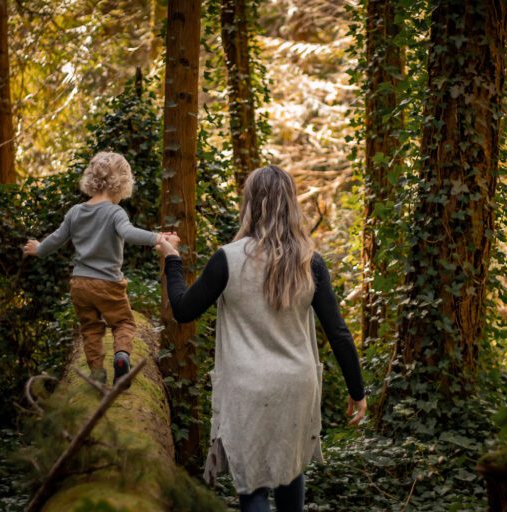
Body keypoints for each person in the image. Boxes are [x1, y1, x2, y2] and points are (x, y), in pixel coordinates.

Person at [155, 165, 367, 512]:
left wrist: (172, 260)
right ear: (291, 204)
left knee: (252, 485)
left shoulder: (230, 258)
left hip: (248, 386)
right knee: (290, 472)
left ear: (250, 204)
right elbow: (338, 333)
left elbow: (182, 310)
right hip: (297, 386)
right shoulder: (309, 261)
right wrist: (357, 391)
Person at [23, 151, 163, 386]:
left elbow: (55, 240)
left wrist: (38, 249)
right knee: (124, 323)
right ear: (121, 185)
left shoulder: (75, 212)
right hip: (108, 284)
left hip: (79, 284)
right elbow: (128, 234)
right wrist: (157, 237)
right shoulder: (115, 212)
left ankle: (97, 373)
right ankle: (121, 358)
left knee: (90, 329)